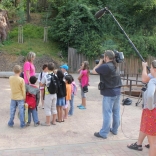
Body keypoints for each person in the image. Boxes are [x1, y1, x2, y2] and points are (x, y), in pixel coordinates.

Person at [92, 50, 122, 139]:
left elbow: (94, 71)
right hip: (117, 92)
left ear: (106, 57)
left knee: (107, 113)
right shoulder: (115, 65)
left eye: (104, 57)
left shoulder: (105, 66)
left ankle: (104, 133)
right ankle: (115, 130)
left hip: (109, 93)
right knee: (116, 112)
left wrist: (100, 62)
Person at [127, 61, 154, 151]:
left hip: (151, 108)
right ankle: (149, 143)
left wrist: (144, 67)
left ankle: (148, 144)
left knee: (146, 124)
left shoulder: (153, 79)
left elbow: (144, 79)